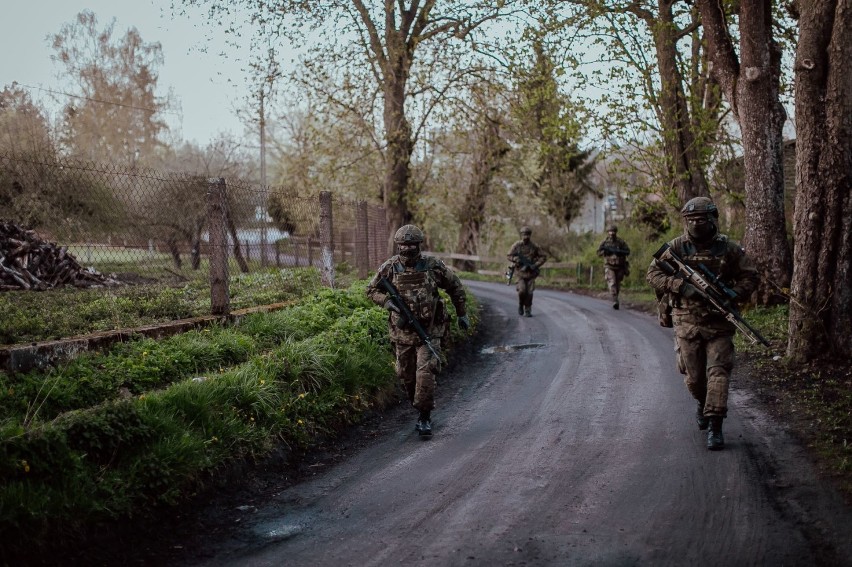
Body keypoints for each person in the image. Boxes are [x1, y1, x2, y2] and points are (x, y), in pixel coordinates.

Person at [646, 197, 758, 450]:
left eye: (702, 218)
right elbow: (653, 274)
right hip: (686, 322)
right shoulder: (675, 248)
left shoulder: (728, 248)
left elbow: (750, 275)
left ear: (713, 219)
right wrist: (681, 286)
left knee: (718, 372)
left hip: (719, 322)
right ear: (685, 221)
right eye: (691, 219)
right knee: (695, 379)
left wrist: (735, 293)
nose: (697, 223)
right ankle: (702, 403)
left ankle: (715, 424)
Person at [366, 224, 469, 438]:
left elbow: (455, 286)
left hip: (430, 331)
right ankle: (419, 405)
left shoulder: (432, 266)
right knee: (405, 376)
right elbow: (371, 290)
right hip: (402, 333)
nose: (407, 248)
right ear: (398, 245)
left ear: (419, 245)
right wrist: (387, 302)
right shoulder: (390, 267)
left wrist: (461, 313)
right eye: (403, 244)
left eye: (411, 244)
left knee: (425, 374)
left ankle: (424, 416)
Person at [507, 226, 547, 317]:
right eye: (524, 234)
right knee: (522, 290)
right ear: (521, 235)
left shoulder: (534, 246)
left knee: (529, 292)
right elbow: (509, 255)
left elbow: (543, 257)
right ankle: (521, 305)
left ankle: (528, 309)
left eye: (527, 234)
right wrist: (515, 259)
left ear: (530, 235)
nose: (526, 237)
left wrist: (535, 265)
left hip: (531, 273)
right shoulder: (517, 245)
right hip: (520, 273)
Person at [597, 225, 631, 309]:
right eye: (610, 231)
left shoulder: (620, 242)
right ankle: (615, 300)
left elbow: (627, 251)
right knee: (612, 282)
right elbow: (598, 252)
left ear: (616, 232)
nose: (612, 233)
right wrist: (605, 252)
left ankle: (616, 297)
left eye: (613, 231)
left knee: (617, 284)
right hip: (609, 266)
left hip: (620, 266)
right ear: (608, 232)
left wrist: (620, 252)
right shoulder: (605, 242)